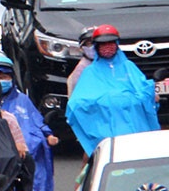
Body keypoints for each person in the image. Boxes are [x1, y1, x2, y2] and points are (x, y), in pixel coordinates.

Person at [65, 25, 159, 157]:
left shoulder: (128, 66)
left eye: (111, 43)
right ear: (96, 46)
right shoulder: (89, 72)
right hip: (106, 129)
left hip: (135, 124)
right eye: (103, 44)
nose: (107, 47)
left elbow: (143, 91)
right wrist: (106, 101)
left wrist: (147, 95)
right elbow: (77, 104)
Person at [0, 57, 57, 191]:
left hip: (25, 152)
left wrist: (48, 135)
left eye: (5, 77)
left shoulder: (22, 100)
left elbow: (37, 121)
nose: (2, 80)